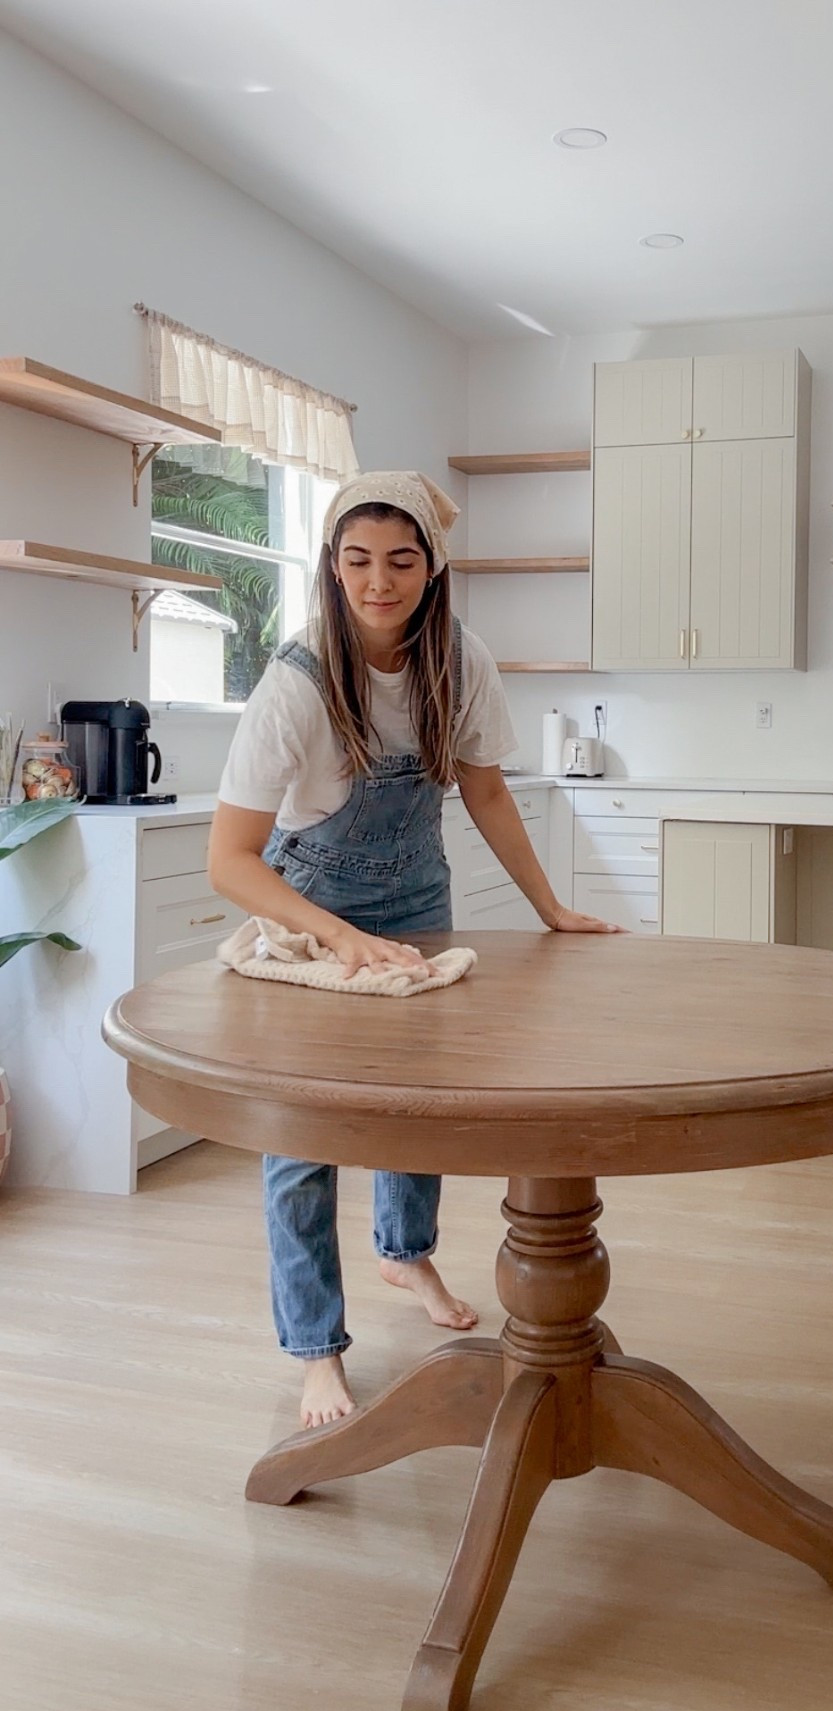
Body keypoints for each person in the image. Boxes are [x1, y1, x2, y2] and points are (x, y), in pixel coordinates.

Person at [207, 470, 619, 1428]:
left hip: (417, 898)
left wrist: (551, 908)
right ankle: (317, 1350)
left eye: (400, 560)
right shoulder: (297, 683)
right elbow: (230, 861)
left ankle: (405, 1250)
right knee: (303, 1139)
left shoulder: (460, 660)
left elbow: (485, 793)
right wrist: (342, 937)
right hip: (310, 914)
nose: (377, 582)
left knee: (418, 1102)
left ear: (433, 568)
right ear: (331, 566)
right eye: (356, 561)